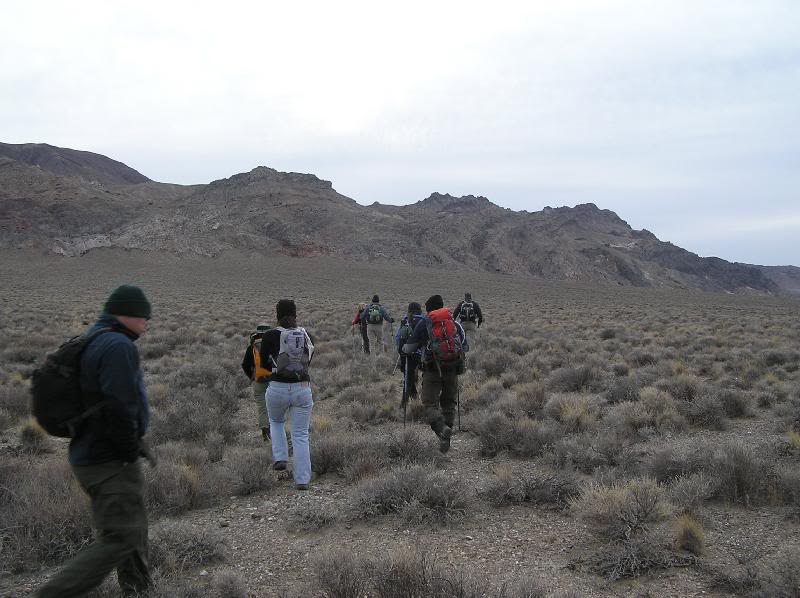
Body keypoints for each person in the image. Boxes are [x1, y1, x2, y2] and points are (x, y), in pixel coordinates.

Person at [36, 285, 154, 597]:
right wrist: (129, 448)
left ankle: (138, 590)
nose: (146, 322)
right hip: (108, 459)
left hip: (93, 453)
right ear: (125, 314)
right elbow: (120, 402)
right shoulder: (117, 346)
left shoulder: (95, 337)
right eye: (143, 316)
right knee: (122, 536)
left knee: (130, 528)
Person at [260, 299, 315, 490]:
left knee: (276, 422)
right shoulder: (306, 335)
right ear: (295, 313)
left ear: (277, 315)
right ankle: (302, 480)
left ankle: (281, 457)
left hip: (277, 388)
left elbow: (264, 365)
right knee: (300, 434)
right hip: (302, 387)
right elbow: (309, 360)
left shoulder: (269, 335)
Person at [402, 294, 468, 454]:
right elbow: (465, 346)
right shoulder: (454, 323)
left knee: (429, 403)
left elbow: (409, 348)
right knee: (449, 403)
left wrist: (405, 348)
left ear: (430, 309)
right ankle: (447, 435)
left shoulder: (426, 323)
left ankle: (441, 428)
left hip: (432, 370)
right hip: (452, 369)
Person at [241, 322, 271, 441]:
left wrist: (252, 376)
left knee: (262, 407)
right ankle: (276, 430)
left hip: (258, 381)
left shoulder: (252, 346)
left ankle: (265, 434)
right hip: (273, 380)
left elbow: (245, 364)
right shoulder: (273, 344)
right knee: (275, 405)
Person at [395, 302, 424, 403]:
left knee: (407, 376)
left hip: (406, 352)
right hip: (421, 353)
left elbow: (398, 337)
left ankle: (404, 403)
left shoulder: (405, 320)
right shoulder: (424, 320)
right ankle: (421, 398)